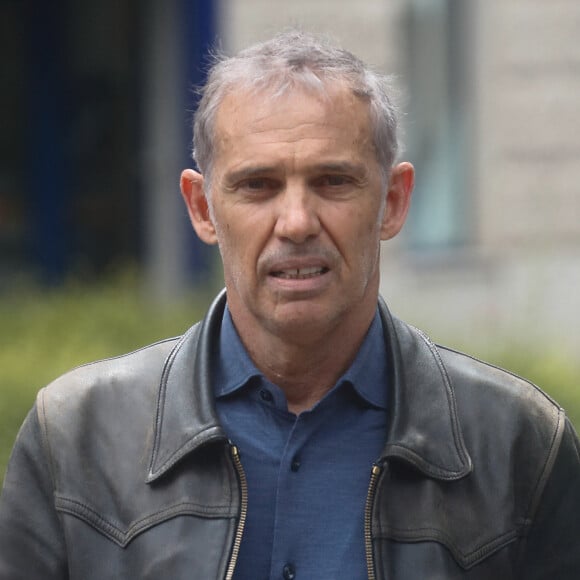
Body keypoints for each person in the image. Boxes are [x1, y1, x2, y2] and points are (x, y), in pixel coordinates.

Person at [1, 30, 579, 580]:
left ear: (393, 202)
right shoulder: (76, 439)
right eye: (258, 185)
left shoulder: (517, 444)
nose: (297, 222)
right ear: (202, 208)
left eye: (332, 181)